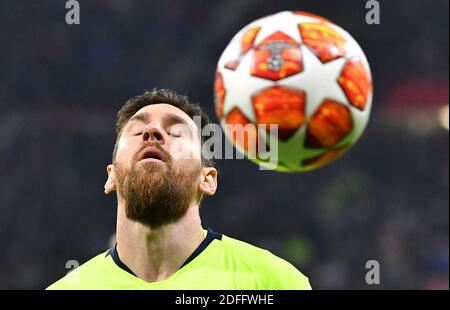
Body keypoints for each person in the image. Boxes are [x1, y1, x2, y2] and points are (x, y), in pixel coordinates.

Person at [47, 89, 311, 290]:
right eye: (137, 129)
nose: (152, 131)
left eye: (176, 132)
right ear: (111, 176)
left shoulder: (270, 281)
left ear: (207, 179)